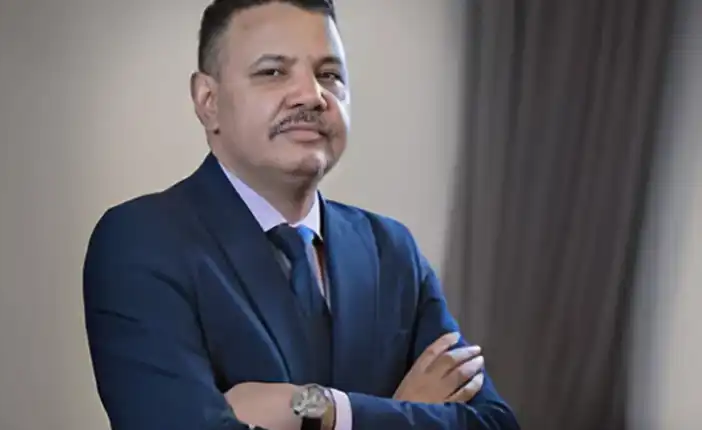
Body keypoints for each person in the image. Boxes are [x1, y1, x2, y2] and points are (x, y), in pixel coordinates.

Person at [82, 1, 519, 429]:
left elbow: (494, 424)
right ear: (208, 101)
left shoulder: (391, 251)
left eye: (329, 74)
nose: (312, 95)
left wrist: (321, 409)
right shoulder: (142, 242)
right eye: (273, 72)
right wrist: (402, 412)